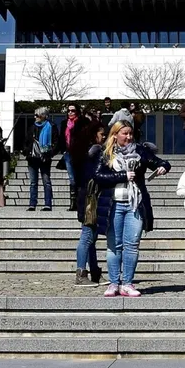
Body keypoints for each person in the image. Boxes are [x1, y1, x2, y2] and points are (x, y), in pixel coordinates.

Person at [91, 121, 170, 297]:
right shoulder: (106, 153)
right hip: (114, 204)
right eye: (125, 133)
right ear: (115, 135)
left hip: (135, 204)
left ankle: (127, 283)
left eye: (130, 133)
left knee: (132, 245)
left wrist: (163, 167)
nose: (128, 137)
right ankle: (113, 283)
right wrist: (122, 176)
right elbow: (97, 176)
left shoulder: (139, 150)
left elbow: (159, 161)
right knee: (114, 245)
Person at [73, 120, 107, 285]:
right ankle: (81, 273)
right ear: (94, 135)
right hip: (90, 199)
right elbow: (93, 177)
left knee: (91, 237)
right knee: (87, 236)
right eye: (102, 134)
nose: (104, 137)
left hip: (85, 197)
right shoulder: (94, 153)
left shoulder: (85, 152)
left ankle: (94, 271)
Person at [26, 105, 56, 212]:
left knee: (46, 181)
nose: (35, 117)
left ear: (43, 116)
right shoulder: (32, 127)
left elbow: (56, 142)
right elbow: (26, 141)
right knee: (33, 182)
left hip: (45, 157)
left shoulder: (51, 126)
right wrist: (26, 151)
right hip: (32, 157)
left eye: (37, 115)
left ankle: (48, 203)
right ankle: (32, 203)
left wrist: (50, 153)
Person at [61, 104, 80, 187]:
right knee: (71, 177)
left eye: (73, 111)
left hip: (78, 153)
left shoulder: (81, 123)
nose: (70, 112)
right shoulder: (64, 123)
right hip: (68, 153)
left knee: (78, 177)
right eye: (68, 111)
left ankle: (79, 197)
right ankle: (74, 198)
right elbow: (61, 137)